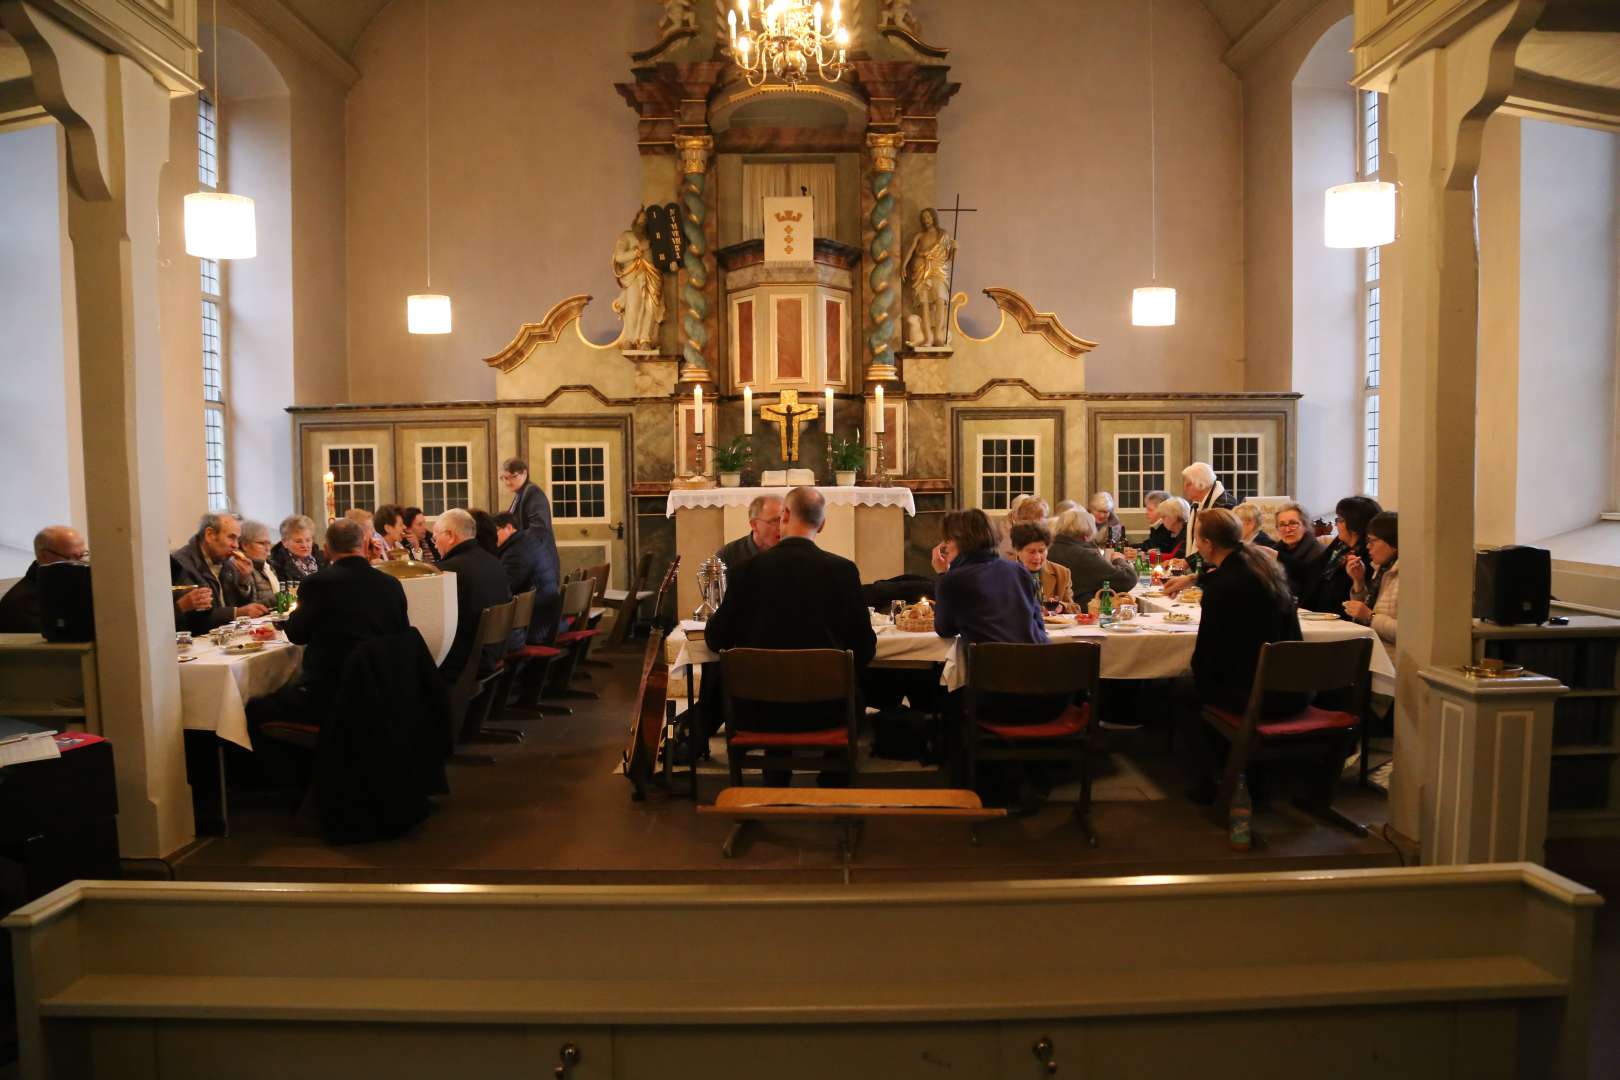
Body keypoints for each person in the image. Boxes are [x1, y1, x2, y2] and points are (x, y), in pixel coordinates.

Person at [705, 487, 876, 786]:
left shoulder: (746, 571)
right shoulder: (843, 571)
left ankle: (775, 777)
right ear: (822, 525)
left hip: (758, 709)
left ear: (784, 516)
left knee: (772, 686)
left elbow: (716, 639)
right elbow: (865, 647)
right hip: (828, 710)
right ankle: (833, 779)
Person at [1177, 508, 1306, 799]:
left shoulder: (1224, 586)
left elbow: (1207, 659)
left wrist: (1199, 679)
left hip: (1254, 696)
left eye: (1198, 539)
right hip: (1294, 688)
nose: (1197, 545)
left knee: (1184, 688)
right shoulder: (1264, 568)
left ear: (1208, 543)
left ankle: (1213, 781)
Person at [281, 518, 411, 702]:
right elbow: (402, 635)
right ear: (365, 545)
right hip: (382, 690)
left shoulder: (316, 584)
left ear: (326, 549)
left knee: (255, 708)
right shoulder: (391, 584)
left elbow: (296, 635)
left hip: (328, 693)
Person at [933, 509, 1048, 646]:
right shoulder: (1019, 570)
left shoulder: (953, 580)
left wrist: (942, 575)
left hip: (990, 664)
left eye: (947, 540)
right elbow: (1038, 623)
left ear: (959, 541)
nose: (945, 546)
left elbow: (945, 630)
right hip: (1038, 660)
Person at [432, 508, 513, 683]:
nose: (435, 543)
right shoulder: (494, 562)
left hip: (468, 659)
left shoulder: (448, 571)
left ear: (450, 535)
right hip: (495, 649)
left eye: (435, 536)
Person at [171, 512, 264, 634]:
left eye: (237, 539)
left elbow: (246, 608)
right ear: (210, 535)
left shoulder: (227, 563)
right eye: (231, 537)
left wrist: (244, 581)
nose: (235, 546)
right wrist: (237, 613)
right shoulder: (181, 564)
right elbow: (196, 619)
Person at [0, 526, 87, 633]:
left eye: (83, 555)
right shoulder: (24, 604)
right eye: (73, 557)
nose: (82, 563)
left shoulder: (68, 584)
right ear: (45, 557)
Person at [1047, 509, 1137, 609]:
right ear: (1088, 528)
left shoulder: (1048, 549)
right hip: (1081, 613)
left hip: (1052, 609)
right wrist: (1119, 559)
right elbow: (1128, 579)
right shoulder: (1085, 555)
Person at [494, 510, 562, 644]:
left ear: (509, 527)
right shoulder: (526, 541)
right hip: (546, 616)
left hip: (536, 625)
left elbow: (506, 589)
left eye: (496, 530)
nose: (493, 537)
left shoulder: (517, 550)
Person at [1311, 495, 1381, 616]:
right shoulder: (1340, 544)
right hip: (1316, 614)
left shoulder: (1368, 555)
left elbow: (1349, 596)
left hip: (1339, 619)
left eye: (1339, 519)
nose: (1336, 524)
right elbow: (1314, 570)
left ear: (1354, 524)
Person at [1344, 511, 1399, 645]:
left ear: (1392, 542)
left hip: (1392, 660)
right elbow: (1364, 610)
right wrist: (1359, 581)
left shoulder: (1406, 575)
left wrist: (1370, 617)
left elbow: (1408, 632)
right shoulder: (1382, 568)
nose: (1368, 546)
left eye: (1373, 541)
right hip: (1372, 650)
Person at [1010, 522, 1078, 613]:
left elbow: (1074, 608)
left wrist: (1061, 606)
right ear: (1017, 550)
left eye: (1041, 551)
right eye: (1031, 552)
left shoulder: (1062, 573)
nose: (1037, 557)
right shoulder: (1004, 573)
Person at [715, 494, 783, 576]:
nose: (781, 527)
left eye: (786, 520)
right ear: (754, 525)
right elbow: (715, 588)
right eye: (774, 521)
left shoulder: (794, 552)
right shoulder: (728, 556)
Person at [1273, 501, 1326, 603]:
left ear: (1305, 525)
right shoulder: (1275, 550)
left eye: (1293, 523)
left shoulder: (1319, 552)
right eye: (1282, 525)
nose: (1287, 529)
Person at [500, 457, 555, 539]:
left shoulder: (533, 493)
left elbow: (539, 530)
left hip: (535, 551)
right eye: (505, 478)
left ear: (525, 473)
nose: (508, 482)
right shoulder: (522, 493)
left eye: (513, 476)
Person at [269, 515, 326, 584]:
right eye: (298, 541)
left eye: (308, 540)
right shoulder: (275, 565)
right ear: (285, 542)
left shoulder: (325, 558)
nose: (305, 545)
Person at [236, 520, 281, 608]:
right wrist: (281, 597)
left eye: (268, 543)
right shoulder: (239, 567)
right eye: (261, 543)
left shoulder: (268, 567)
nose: (268, 548)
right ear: (245, 545)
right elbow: (249, 607)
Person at [997, 494, 1049, 558]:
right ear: (1034, 519)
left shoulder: (1017, 536)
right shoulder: (1017, 541)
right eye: (1045, 517)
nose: (1047, 521)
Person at [1152, 497, 1192, 563]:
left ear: (1174, 517)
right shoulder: (1177, 533)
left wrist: (1146, 556)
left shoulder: (1187, 533)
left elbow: (1175, 558)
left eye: (1164, 517)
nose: (1161, 521)